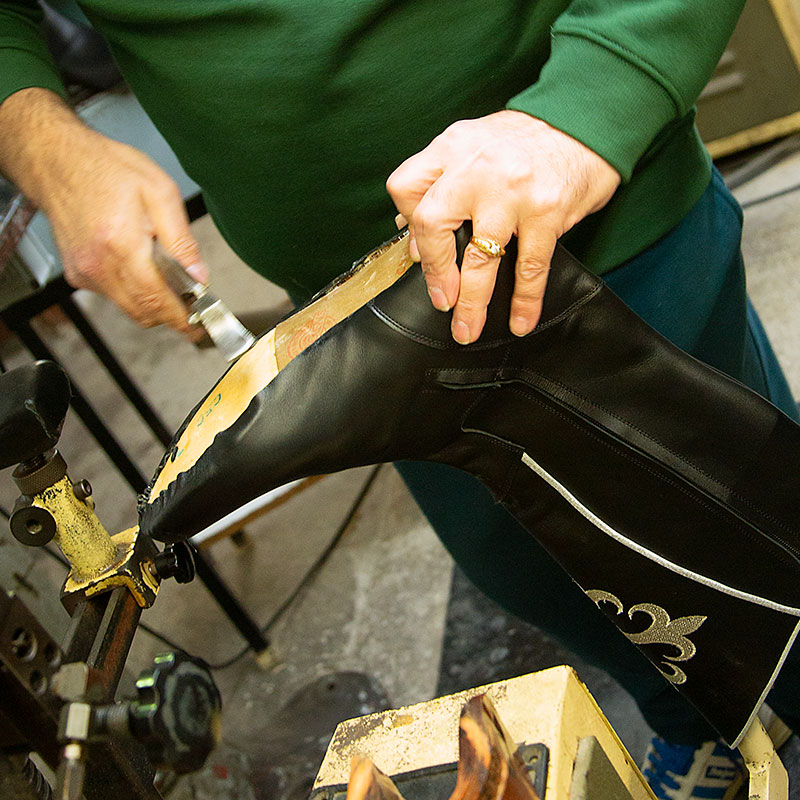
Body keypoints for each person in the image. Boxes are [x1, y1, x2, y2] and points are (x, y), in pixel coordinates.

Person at [1, 2, 796, 797]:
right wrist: (43, 138)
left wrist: (594, 100)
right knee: (531, 571)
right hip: (359, 317)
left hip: (588, 219)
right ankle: (704, 727)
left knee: (755, 554)